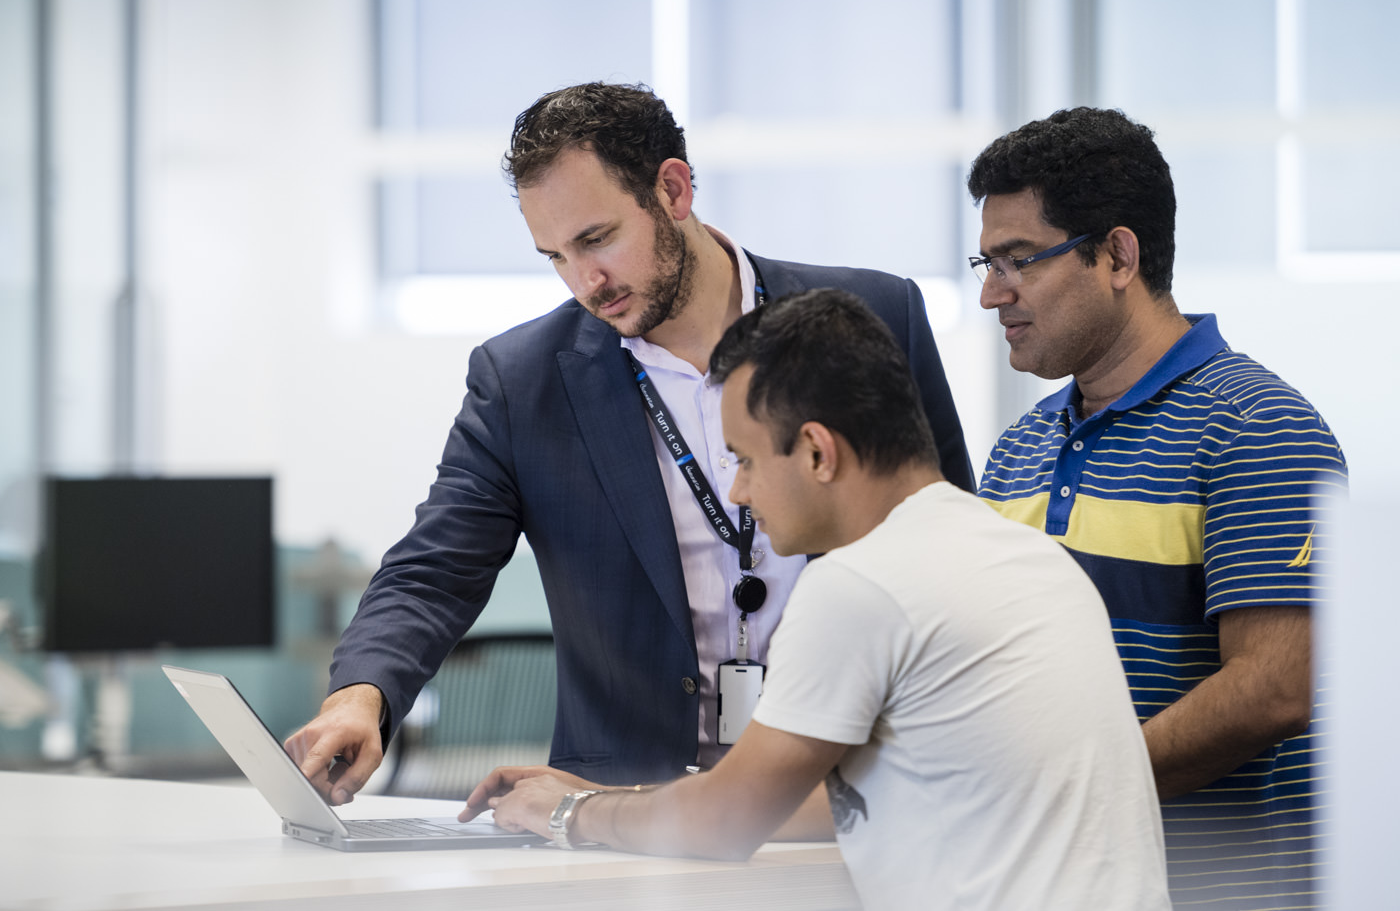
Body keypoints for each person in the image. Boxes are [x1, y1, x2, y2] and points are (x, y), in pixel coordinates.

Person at [285, 82, 974, 800]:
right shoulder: (522, 381)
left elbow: (946, 535)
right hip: (625, 819)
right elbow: (433, 567)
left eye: (597, 238)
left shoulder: (876, 317)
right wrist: (359, 696)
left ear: (673, 190)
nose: (586, 281)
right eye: (554, 255)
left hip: (862, 794)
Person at [464, 288, 1171, 911]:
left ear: (817, 452)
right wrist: (604, 795)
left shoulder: (862, 582)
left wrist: (573, 813)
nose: (737, 491)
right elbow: (810, 802)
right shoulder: (1018, 554)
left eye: (744, 459)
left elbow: (728, 820)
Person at [967, 106, 1349, 910]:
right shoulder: (1015, 452)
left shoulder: (1259, 426)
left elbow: (1278, 684)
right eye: (985, 261)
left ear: (1117, 255)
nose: (990, 294)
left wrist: (1063, 797)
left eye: (1018, 260)